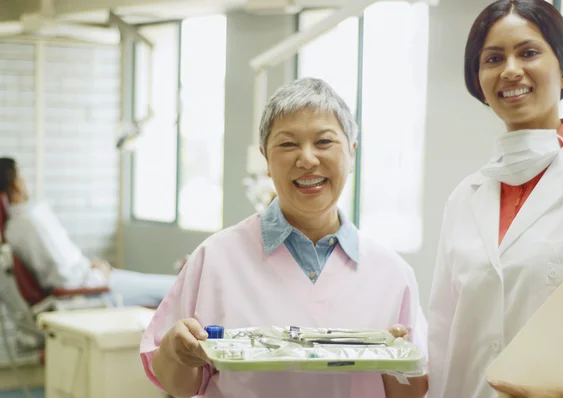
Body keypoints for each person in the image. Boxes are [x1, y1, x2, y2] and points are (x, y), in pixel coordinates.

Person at [140, 77, 428, 398]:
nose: (307, 159)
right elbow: (178, 384)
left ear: (352, 153)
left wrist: (391, 361)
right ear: (266, 159)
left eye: (324, 142)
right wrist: (176, 350)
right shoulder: (216, 258)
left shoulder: (392, 275)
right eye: (288, 144)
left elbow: (413, 393)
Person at [427, 0, 563, 397]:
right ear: (480, 83)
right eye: (493, 58)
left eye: (528, 52)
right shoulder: (463, 200)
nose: (510, 69)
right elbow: (441, 338)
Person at [0, 157, 177, 308]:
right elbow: (65, 281)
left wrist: (92, 267)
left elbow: (62, 267)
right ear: (17, 185)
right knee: (174, 289)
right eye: (22, 177)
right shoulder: (29, 223)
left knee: (173, 286)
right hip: (93, 292)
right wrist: (100, 273)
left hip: (92, 279)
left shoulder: (17, 225)